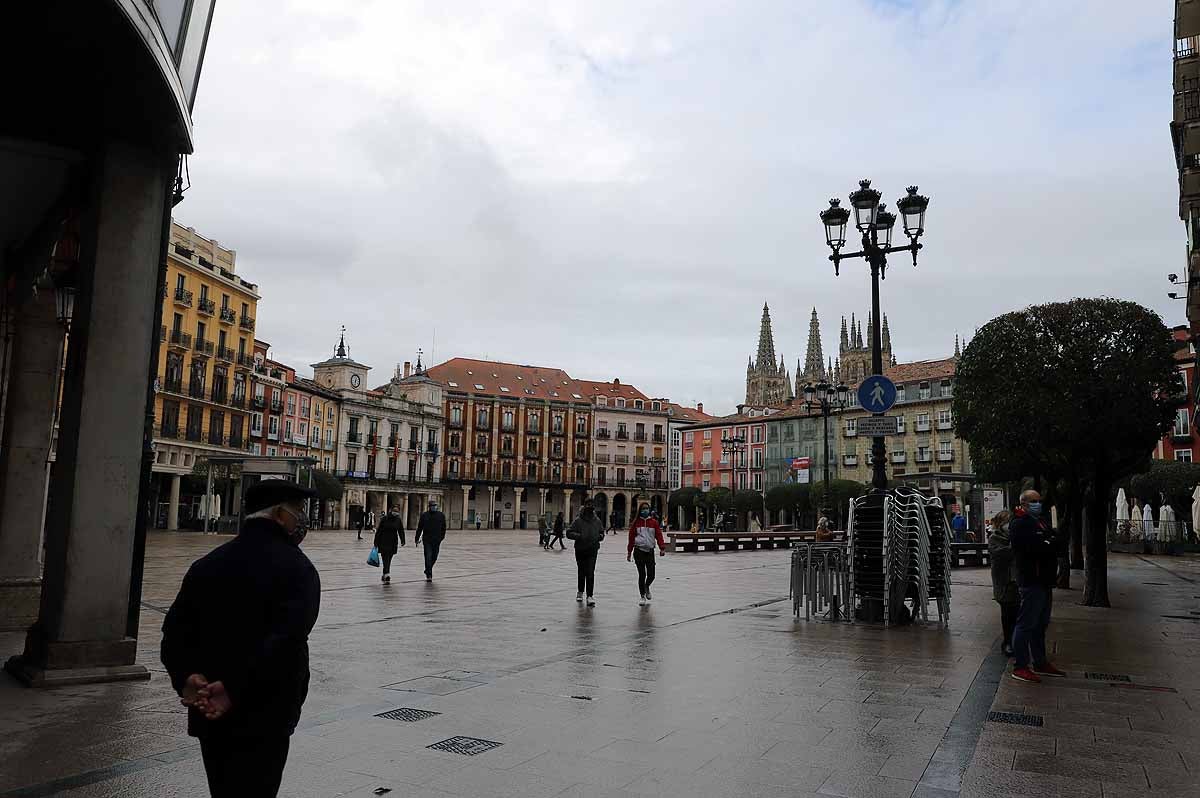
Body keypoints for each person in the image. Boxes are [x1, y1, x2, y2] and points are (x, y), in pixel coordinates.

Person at [160, 479, 320, 798]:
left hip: (209, 708)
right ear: (278, 514)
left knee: (223, 789)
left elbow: (174, 634)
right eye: (298, 510)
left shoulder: (206, 565)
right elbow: (284, 642)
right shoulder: (297, 568)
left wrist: (187, 677)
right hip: (266, 711)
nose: (301, 518)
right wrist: (234, 687)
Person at [1009, 490, 1067, 683]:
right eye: (1033, 501)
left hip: (1044, 580)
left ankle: (1040, 661)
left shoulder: (1040, 521)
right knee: (1026, 624)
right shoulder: (1020, 523)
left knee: (1040, 624)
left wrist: (1049, 542)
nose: (1038, 504)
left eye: (1039, 501)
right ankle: (1020, 665)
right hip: (1031, 580)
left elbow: (1055, 542)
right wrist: (1048, 543)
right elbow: (1034, 548)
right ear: (1024, 503)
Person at [988, 510, 1019, 656]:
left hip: (1017, 580)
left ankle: (1015, 641)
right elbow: (1000, 554)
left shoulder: (1017, 536)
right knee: (1007, 613)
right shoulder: (995, 537)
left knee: (1017, 613)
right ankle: (1007, 642)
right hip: (1004, 581)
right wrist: (1015, 546)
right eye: (1007, 521)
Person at [566, 496, 605, 606]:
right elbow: (568, 532)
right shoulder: (578, 520)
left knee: (590, 572)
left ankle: (590, 595)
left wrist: (600, 536)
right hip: (580, 549)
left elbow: (602, 532)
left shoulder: (597, 521)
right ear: (584, 506)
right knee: (581, 571)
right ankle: (580, 591)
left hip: (593, 549)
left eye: (592, 505)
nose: (590, 507)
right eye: (588, 504)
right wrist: (579, 536)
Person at [628, 502, 666, 606]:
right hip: (638, 551)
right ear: (640, 510)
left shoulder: (654, 522)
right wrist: (629, 552)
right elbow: (631, 538)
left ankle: (646, 586)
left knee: (651, 574)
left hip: (650, 551)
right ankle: (642, 596)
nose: (645, 510)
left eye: (647, 508)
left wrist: (662, 548)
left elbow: (659, 535)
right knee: (642, 574)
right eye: (643, 508)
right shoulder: (636, 523)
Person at [415, 499, 447, 581]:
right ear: (429, 507)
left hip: (437, 540)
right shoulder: (424, 515)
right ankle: (429, 575)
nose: (434, 507)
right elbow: (419, 528)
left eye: (435, 506)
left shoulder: (441, 515)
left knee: (434, 557)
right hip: (427, 539)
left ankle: (427, 570)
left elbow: (444, 527)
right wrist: (417, 538)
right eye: (432, 506)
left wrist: (441, 537)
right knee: (428, 556)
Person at [374, 507, 403, 583]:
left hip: (393, 542)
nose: (396, 513)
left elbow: (401, 530)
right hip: (383, 541)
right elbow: (379, 531)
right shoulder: (384, 519)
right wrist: (376, 542)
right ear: (391, 511)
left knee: (389, 559)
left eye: (397, 511)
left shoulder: (398, 520)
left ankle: (385, 573)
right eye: (395, 511)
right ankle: (387, 574)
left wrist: (403, 540)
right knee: (385, 558)